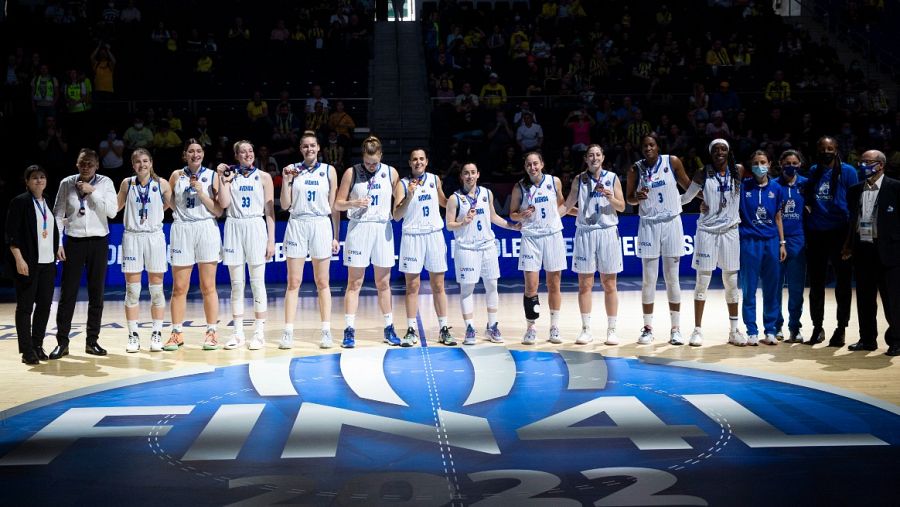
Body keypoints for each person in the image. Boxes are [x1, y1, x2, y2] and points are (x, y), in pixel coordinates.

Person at [334, 136, 401, 348]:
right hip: (359, 227)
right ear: (362, 157)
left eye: (374, 162)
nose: (371, 166)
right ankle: (349, 329)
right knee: (355, 282)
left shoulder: (391, 172)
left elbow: (400, 203)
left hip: (382, 228)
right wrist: (353, 202)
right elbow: (337, 204)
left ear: (381, 156)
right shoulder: (351, 172)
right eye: (367, 162)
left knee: (383, 282)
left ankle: (389, 327)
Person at [51, 148, 118, 358]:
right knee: (67, 294)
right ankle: (62, 342)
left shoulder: (105, 183)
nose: (86, 166)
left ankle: (92, 341)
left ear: (97, 165)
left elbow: (112, 212)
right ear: (77, 164)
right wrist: (58, 243)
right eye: (82, 163)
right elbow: (57, 214)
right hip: (74, 242)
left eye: (90, 163)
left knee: (96, 293)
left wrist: (92, 191)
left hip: (99, 242)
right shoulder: (66, 183)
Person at [625, 134, 691, 345]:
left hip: (672, 222)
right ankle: (647, 329)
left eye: (651, 145)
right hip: (648, 224)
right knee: (649, 279)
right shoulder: (635, 169)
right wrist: (637, 197)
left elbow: (688, 186)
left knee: (672, 278)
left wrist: (706, 200)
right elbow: (629, 199)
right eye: (644, 146)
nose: (648, 148)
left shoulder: (672, 162)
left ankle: (676, 329)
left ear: (658, 146)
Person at [680, 139, 745, 346]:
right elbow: (687, 198)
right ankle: (697, 330)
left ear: (729, 151)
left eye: (723, 149)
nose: (719, 152)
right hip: (707, 232)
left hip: (730, 232)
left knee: (731, 283)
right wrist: (666, 201)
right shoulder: (702, 172)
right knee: (702, 282)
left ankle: (734, 331)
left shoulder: (738, 170)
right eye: (715, 150)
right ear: (710, 153)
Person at [558, 145, 625, 346]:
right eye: (590, 155)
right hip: (585, 233)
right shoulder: (579, 179)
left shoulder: (612, 178)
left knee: (609, 284)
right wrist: (549, 219)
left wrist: (610, 197)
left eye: (597, 155)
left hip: (607, 232)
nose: (594, 158)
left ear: (603, 157)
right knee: (584, 285)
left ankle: (612, 330)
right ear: (586, 159)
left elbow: (622, 207)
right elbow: (567, 205)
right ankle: (586, 329)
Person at [279, 132, 340, 349]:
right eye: (305, 146)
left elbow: (334, 207)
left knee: (322, 282)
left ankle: (326, 331)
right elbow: (284, 205)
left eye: (312, 145)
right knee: (293, 282)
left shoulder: (329, 171)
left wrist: (336, 236)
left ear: (318, 147)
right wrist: (286, 181)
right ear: (300, 149)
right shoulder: (292, 169)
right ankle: (288, 332)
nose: (309, 149)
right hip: (297, 223)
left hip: (320, 223)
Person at [446, 163, 518, 345]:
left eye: (472, 173)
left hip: (487, 246)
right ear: (461, 176)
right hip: (467, 248)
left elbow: (493, 217)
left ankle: (492, 326)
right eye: (466, 173)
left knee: (492, 286)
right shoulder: (455, 199)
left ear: (478, 174)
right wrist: (463, 223)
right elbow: (449, 225)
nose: (469, 176)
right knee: (467, 289)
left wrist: (511, 226)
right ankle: (470, 328)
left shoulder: (486, 193)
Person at [216, 140, 276, 350]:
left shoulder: (264, 177)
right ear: (236, 156)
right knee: (237, 284)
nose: (248, 154)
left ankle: (259, 333)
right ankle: (238, 333)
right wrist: (223, 180)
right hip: (233, 225)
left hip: (256, 226)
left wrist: (271, 240)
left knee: (258, 283)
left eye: (250, 150)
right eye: (243, 152)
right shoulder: (229, 175)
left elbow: (270, 211)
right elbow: (224, 204)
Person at [166, 140, 224, 351]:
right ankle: (176, 333)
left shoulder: (212, 175)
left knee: (208, 286)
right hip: (182, 229)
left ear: (203, 154)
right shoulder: (176, 175)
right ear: (185, 155)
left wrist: (201, 193)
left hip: (206, 228)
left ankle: (211, 332)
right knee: (179, 287)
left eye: (199, 151)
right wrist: (180, 213)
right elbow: (169, 202)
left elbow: (218, 211)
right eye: (191, 151)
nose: (195, 154)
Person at [392, 148, 453, 346]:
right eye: (414, 159)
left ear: (426, 161)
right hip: (412, 237)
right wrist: (409, 196)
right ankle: (411, 330)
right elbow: (396, 216)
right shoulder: (402, 184)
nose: (418, 162)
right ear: (410, 163)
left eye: (421, 159)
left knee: (438, 285)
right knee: (412, 286)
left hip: (434, 235)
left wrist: (460, 201)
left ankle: (444, 329)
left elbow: (444, 202)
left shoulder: (435, 179)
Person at [842, 150, 900, 355]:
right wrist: (849, 245)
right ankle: (867, 340)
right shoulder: (854, 190)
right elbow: (852, 221)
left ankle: (896, 341)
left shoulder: (895, 187)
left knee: (892, 300)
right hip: (863, 248)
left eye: (868, 162)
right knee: (865, 299)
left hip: (889, 251)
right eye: (861, 162)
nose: (863, 165)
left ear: (880, 165)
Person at [804, 136, 858, 346]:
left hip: (840, 233)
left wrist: (849, 241)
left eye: (830, 148)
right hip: (816, 233)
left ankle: (841, 328)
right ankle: (817, 327)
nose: (826, 151)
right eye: (822, 148)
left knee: (843, 284)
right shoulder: (814, 170)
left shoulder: (848, 171)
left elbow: (854, 206)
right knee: (816, 285)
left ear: (836, 150)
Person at [116, 149, 172, 352]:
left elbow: (172, 205)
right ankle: (133, 335)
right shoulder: (127, 183)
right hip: (132, 237)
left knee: (157, 290)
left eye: (145, 161)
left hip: (154, 237)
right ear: (133, 165)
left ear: (151, 162)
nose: (142, 165)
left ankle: (157, 333)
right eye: (138, 162)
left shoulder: (162, 184)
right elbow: (114, 208)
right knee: (133, 290)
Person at [509, 152, 566, 344]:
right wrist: (521, 215)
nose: (532, 167)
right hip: (531, 238)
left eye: (535, 163)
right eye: (528, 164)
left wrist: (553, 220)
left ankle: (554, 327)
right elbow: (512, 214)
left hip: (552, 236)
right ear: (525, 167)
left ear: (542, 164)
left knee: (554, 284)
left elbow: (562, 206)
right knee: (531, 286)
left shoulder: (554, 182)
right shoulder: (519, 187)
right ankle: (531, 327)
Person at [5, 165, 59, 365]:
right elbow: (11, 234)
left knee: (44, 307)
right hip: (28, 263)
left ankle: (37, 345)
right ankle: (26, 351)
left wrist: (57, 249)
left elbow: (50, 230)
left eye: (42, 177)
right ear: (27, 181)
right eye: (34, 177)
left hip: (48, 263)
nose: (39, 180)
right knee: (25, 308)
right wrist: (19, 259)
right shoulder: (20, 202)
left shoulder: (47, 201)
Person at [739, 150, 787, 345]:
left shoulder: (777, 188)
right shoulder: (743, 187)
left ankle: (770, 330)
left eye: (763, 162)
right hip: (749, 242)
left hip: (772, 242)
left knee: (771, 289)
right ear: (751, 166)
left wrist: (782, 243)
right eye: (756, 163)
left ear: (769, 164)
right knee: (749, 289)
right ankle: (751, 330)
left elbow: (778, 217)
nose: (760, 166)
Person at [775, 149, 808, 342]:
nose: (791, 166)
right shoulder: (772, 185)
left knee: (796, 290)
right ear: (780, 164)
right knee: (775, 288)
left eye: (795, 163)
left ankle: (795, 328)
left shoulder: (806, 184)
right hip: (775, 241)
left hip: (798, 241)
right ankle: (775, 326)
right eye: (787, 163)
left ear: (800, 164)